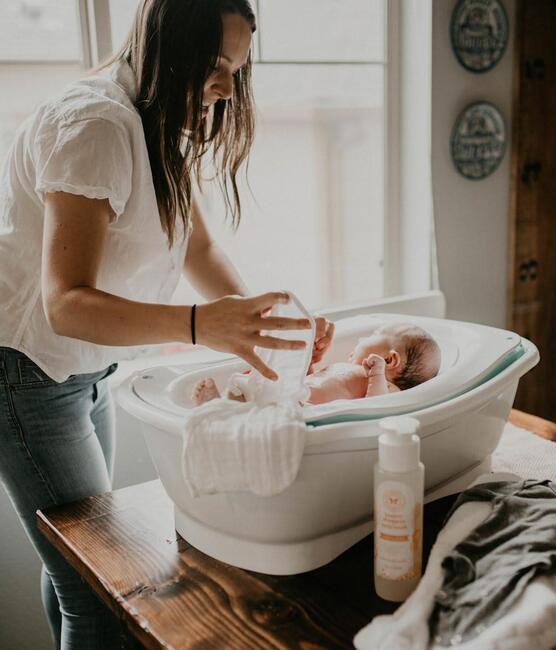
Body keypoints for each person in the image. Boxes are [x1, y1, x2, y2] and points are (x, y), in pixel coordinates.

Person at [0, 1, 333, 648]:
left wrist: (263, 321)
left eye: (237, 69)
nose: (227, 89)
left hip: (84, 367)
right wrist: (204, 327)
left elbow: (198, 249)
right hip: (28, 374)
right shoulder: (94, 126)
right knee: (98, 592)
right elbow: (65, 301)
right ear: (165, 45)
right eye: (214, 66)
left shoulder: (161, 120)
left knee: (73, 566)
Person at [191, 323, 441, 406]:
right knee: (254, 386)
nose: (361, 339)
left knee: (257, 407)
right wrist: (306, 367)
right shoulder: (350, 369)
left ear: (390, 359)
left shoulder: (385, 386)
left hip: (303, 408)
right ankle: (222, 406)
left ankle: (219, 408)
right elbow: (311, 381)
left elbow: (377, 405)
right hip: (294, 391)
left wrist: (377, 373)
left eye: (372, 335)